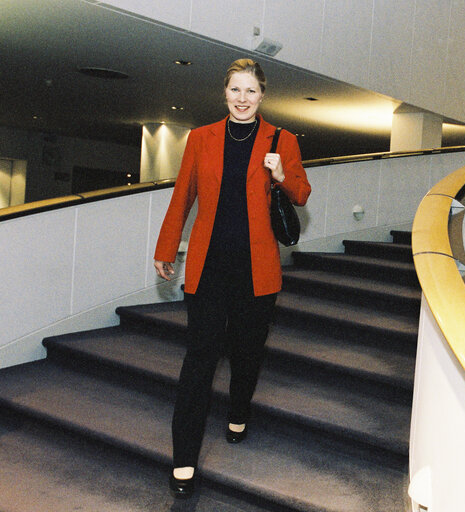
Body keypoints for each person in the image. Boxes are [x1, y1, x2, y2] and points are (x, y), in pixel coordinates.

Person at [153, 58, 311, 499]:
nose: (242, 99)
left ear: (262, 96)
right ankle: (183, 459)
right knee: (199, 358)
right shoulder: (200, 138)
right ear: (225, 93)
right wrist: (167, 247)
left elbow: (301, 192)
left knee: (246, 351)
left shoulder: (283, 140)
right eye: (235, 91)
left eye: (251, 92)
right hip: (207, 268)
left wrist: (280, 174)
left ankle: (238, 410)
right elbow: (183, 194)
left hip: (257, 271)